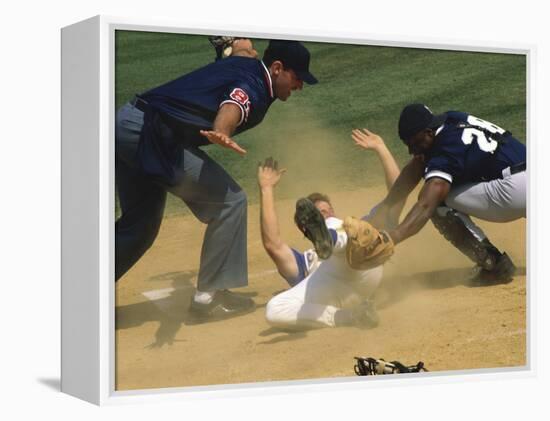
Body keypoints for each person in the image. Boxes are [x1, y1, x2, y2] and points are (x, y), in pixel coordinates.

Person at [115, 39, 318, 320]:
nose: (299, 85)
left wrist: (236, 43)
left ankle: (83, 292)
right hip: (151, 135)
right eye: (296, 78)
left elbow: (243, 50)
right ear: (277, 68)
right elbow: (232, 106)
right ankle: (208, 297)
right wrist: (222, 131)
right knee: (230, 201)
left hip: (128, 123)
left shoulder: (249, 64)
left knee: (139, 225)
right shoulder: (256, 89)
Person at [257, 130, 405, 329]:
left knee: (357, 231)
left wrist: (381, 148)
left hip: (363, 269)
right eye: (319, 214)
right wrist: (266, 189)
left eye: (328, 211)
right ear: (304, 227)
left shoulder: (359, 230)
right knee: (274, 309)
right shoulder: (303, 262)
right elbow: (272, 244)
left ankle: (334, 239)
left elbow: (398, 196)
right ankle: (353, 316)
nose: (326, 214)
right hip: (333, 293)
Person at [368, 104, 526, 283]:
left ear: (428, 132)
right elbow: (417, 164)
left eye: (414, 143)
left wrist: (394, 237)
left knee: (437, 202)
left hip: (513, 192)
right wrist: (387, 205)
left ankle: (493, 265)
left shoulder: (445, 150)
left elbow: (426, 205)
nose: (411, 150)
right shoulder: (452, 118)